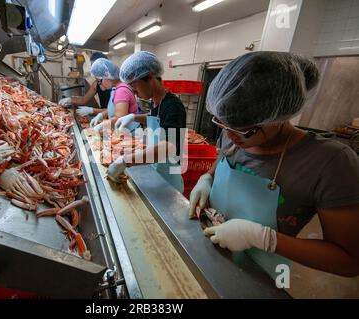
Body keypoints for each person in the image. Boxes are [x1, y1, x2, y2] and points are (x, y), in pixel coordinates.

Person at [189, 51, 359, 278]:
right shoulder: (232, 134)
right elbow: (221, 162)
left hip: (259, 275)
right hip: (208, 252)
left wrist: (263, 238)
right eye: (222, 123)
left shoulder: (331, 162)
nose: (230, 135)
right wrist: (206, 179)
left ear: (278, 116)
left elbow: (348, 261)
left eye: (243, 129)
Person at [107, 51, 187, 193]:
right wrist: (134, 117)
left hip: (169, 181)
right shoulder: (156, 102)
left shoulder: (174, 106)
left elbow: (169, 147)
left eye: (134, 86)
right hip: (156, 172)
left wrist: (125, 161)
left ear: (150, 77)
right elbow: (156, 118)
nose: (134, 92)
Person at [87, 58, 140, 133]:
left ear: (107, 76)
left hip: (131, 133)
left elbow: (119, 117)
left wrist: (101, 126)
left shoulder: (121, 91)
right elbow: (115, 108)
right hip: (123, 131)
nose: (100, 84)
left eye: (99, 81)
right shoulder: (115, 89)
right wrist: (101, 115)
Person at [59, 52, 111, 117]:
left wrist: (92, 110)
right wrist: (70, 100)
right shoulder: (96, 84)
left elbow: (116, 111)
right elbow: (83, 100)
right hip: (104, 117)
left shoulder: (115, 85)